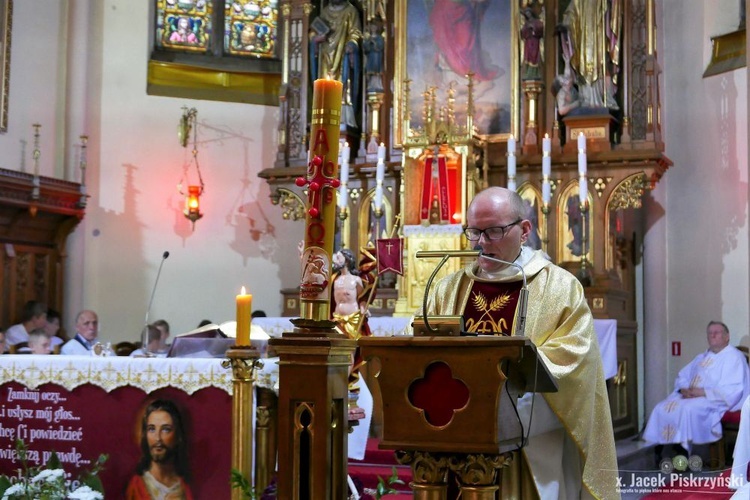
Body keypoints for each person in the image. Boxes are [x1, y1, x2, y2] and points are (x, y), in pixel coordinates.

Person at [415, 187, 618, 498]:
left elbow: (573, 362)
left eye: (494, 231)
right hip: (455, 444)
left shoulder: (560, 289)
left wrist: (501, 401)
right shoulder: (449, 287)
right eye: (474, 232)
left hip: (529, 450)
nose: (481, 242)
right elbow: (418, 350)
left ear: (524, 230)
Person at [643, 321, 750, 462]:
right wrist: (683, 389)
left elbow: (733, 389)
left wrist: (703, 392)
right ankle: (663, 447)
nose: (712, 335)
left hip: (718, 400)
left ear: (727, 336)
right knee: (661, 407)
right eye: (709, 333)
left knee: (688, 409)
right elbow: (683, 376)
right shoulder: (702, 357)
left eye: (716, 333)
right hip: (692, 396)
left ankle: (684, 452)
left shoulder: (734, 357)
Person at [557, 0, 621, 110]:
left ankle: (604, 98)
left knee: (601, 66)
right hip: (583, 42)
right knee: (583, 67)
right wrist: (567, 22)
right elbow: (571, 12)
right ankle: (586, 99)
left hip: (598, 39)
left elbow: (608, 10)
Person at [126, 399, 193, 500]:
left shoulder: (185, 487)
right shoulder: (136, 486)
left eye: (166, 429)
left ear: (178, 436)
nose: (158, 438)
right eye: (151, 429)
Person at [308, 0, 362, 123]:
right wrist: (315, 39)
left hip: (342, 53)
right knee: (323, 83)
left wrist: (352, 43)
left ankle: (341, 117)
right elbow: (314, 31)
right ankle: (324, 112)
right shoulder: (325, 11)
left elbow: (356, 32)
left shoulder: (350, 11)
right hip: (325, 55)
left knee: (342, 82)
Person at [520, 3, 544, 81]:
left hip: (535, 41)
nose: (528, 15)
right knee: (528, 57)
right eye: (526, 14)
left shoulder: (537, 22)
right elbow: (523, 33)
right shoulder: (526, 23)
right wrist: (527, 30)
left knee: (534, 57)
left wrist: (533, 28)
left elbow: (540, 30)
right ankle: (528, 72)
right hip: (528, 42)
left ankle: (535, 73)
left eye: (529, 13)